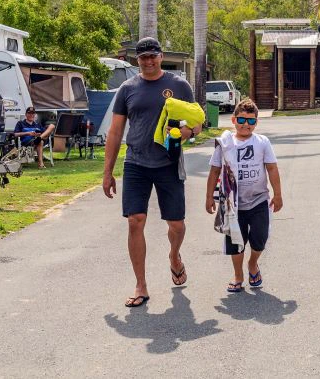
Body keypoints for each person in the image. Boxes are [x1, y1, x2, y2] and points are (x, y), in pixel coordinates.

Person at [102, 37, 202, 308]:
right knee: (135, 221)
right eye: (143, 57)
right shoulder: (127, 89)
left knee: (176, 224)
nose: (148, 61)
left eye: (152, 56)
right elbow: (115, 131)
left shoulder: (179, 85)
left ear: (161, 56)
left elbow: (197, 121)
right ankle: (141, 285)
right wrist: (107, 172)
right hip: (136, 163)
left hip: (169, 162)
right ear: (137, 60)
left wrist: (188, 132)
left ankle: (174, 256)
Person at [205, 98, 283, 293]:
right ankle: (238, 275)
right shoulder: (225, 143)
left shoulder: (262, 142)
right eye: (241, 120)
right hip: (233, 204)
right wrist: (209, 197)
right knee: (236, 242)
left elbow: (272, 168)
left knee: (260, 238)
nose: (245, 125)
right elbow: (214, 171)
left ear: (256, 122)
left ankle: (253, 263)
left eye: (250, 121)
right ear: (233, 120)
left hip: (259, 200)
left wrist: (278, 194)